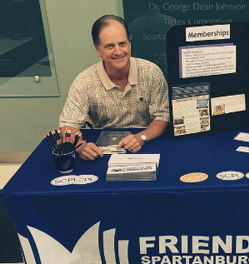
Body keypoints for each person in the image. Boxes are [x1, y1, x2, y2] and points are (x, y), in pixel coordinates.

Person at [59, 15, 169, 161]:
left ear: (130, 43)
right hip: (103, 152)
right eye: (110, 46)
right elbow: (67, 126)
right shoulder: (84, 82)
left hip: (146, 145)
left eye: (122, 44)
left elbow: (162, 116)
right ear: (98, 50)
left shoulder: (151, 72)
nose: (118, 52)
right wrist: (80, 147)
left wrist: (142, 137)